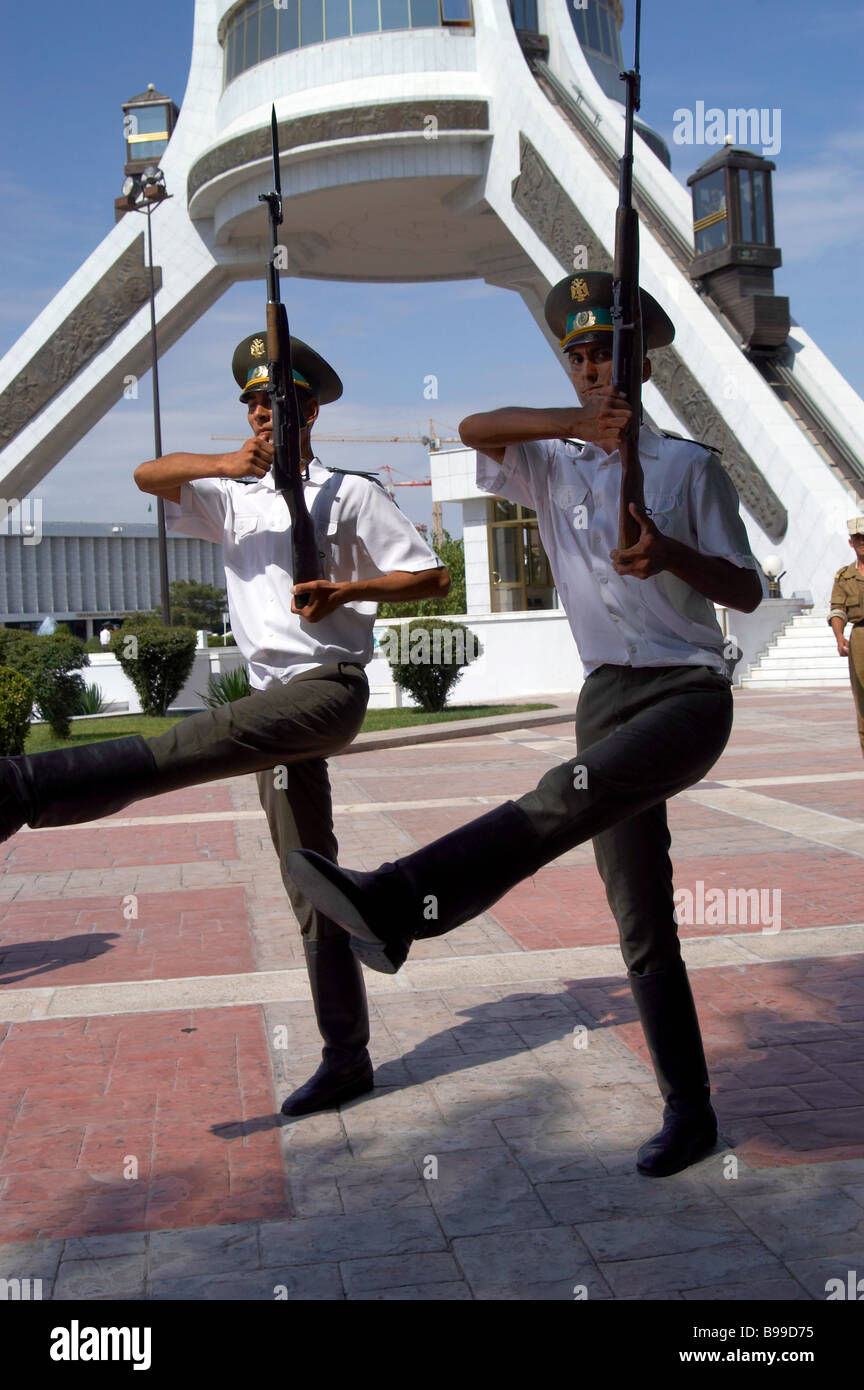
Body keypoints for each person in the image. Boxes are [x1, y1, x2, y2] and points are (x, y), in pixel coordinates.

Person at [286, 272, 766, 1177]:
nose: (590, 368)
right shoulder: (550, 461)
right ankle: (690, 1113)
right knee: (640, 920)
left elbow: (746, 589)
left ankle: (396, 902)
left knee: (560, 797)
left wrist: (670, 554)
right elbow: (473, 430)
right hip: (605, 695)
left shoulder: (690, 468)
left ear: (641, 364)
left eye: (606, 354)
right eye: (577, 355)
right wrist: (572, 425)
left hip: (687, 694)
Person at [0, 333, 448, 1116]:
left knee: (182, 747)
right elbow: (149, 476)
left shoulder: (350, 492)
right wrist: (220, 466)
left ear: (308, 410)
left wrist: (347, 592)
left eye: (276, 401)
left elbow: (431, 573)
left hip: (324, 689)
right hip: (276, 696)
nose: (260, 413)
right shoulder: (231, 494)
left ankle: (22, 790)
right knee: (308, 876)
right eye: (250, 402)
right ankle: (348, 1057)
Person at [828, 517, 864, 757]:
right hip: (861, 638)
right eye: (859, 538)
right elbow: (837, 609)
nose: (863, 542)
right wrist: (840, 636)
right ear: (851, 542)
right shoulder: (844, 576)